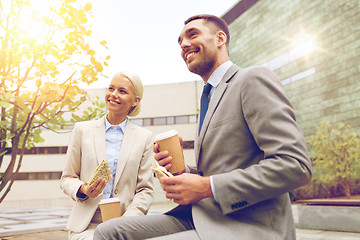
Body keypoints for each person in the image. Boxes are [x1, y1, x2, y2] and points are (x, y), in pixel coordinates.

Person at [94, 14, 312, 240]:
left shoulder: (251, 79)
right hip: (203, 215)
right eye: (179, 41)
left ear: (220, 39)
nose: (184, 45)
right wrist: (183, 173)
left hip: (247, 225)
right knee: (107, 231)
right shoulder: (208, 97)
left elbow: (295, 165)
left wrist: (207, 186)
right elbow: (216, 172)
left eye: (192, 34)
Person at [60, 71, 154, 240]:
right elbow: (67, 178)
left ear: (135, 100)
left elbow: (145, 190)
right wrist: (83, 189)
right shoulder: (82, 130)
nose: (113, 95)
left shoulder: (145, 138)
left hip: (125, 224)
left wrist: (126, 222)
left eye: (122, 91)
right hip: (87, 225)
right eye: (111, 88)